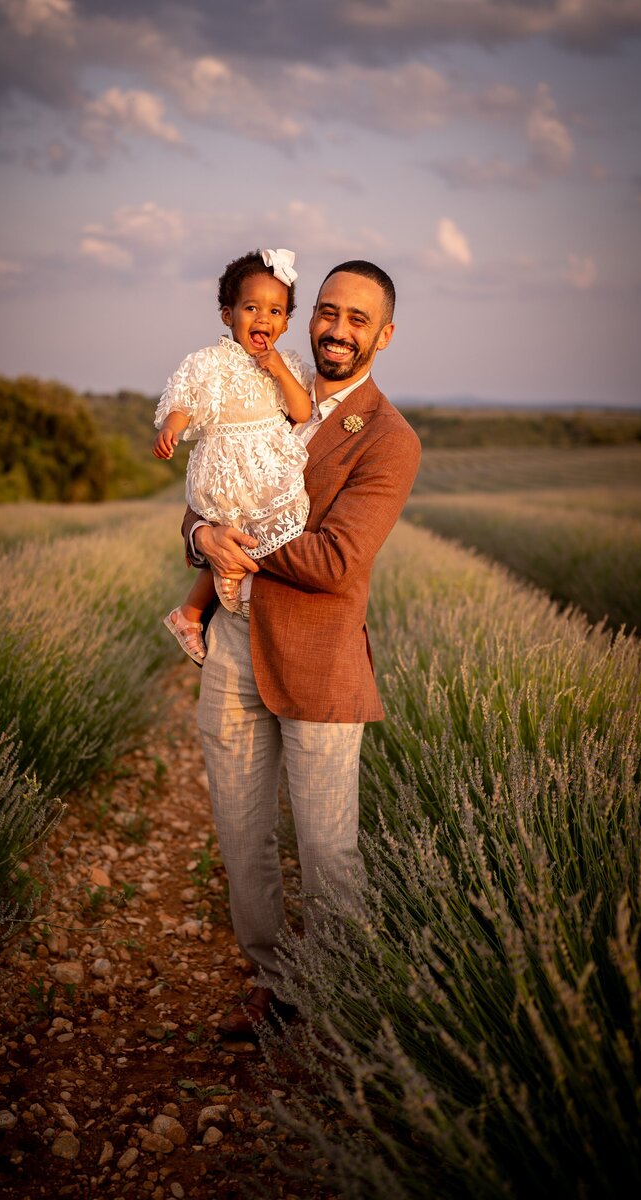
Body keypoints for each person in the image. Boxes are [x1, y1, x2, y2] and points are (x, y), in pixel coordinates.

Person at [183, 260, 422, 1039]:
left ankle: (345, 1002)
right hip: (231, 646)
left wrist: (235, 542)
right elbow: (203, 498)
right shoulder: (256, 390)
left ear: (384, 335)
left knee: (328, 854)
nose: (337, 330)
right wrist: (199, 533)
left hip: (319, 664)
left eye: (358, 319)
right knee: (241, 834)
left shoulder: (389, 440)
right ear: (305, 318)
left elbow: (336, 561)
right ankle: (275, 983)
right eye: (326, 312)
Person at [153, 249, 313, 663]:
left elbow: (301, 411)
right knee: (230, 536)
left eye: (275, 311)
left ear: (286, 322)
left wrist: (277, 368)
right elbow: (185, 400)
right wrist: (171, 428)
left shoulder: (288, 363)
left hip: (265, 469)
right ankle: (199, 606)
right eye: (251, 308)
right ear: (228, 315)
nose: (263, 319)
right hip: (226, 467)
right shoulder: (209, 362)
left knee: (269, 525)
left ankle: (195, 610)